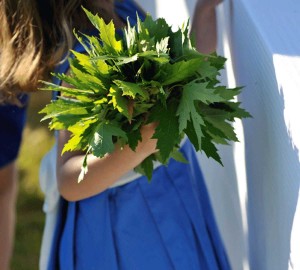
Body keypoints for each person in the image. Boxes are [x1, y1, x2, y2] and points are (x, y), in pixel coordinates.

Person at [2, 0, 231, 269]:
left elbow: (185, 76)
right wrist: (145, 143)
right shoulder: (84, 59)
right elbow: (69, 180)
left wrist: (204, 12)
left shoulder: (125, 10)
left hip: (169, 193)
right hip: (123, 225)